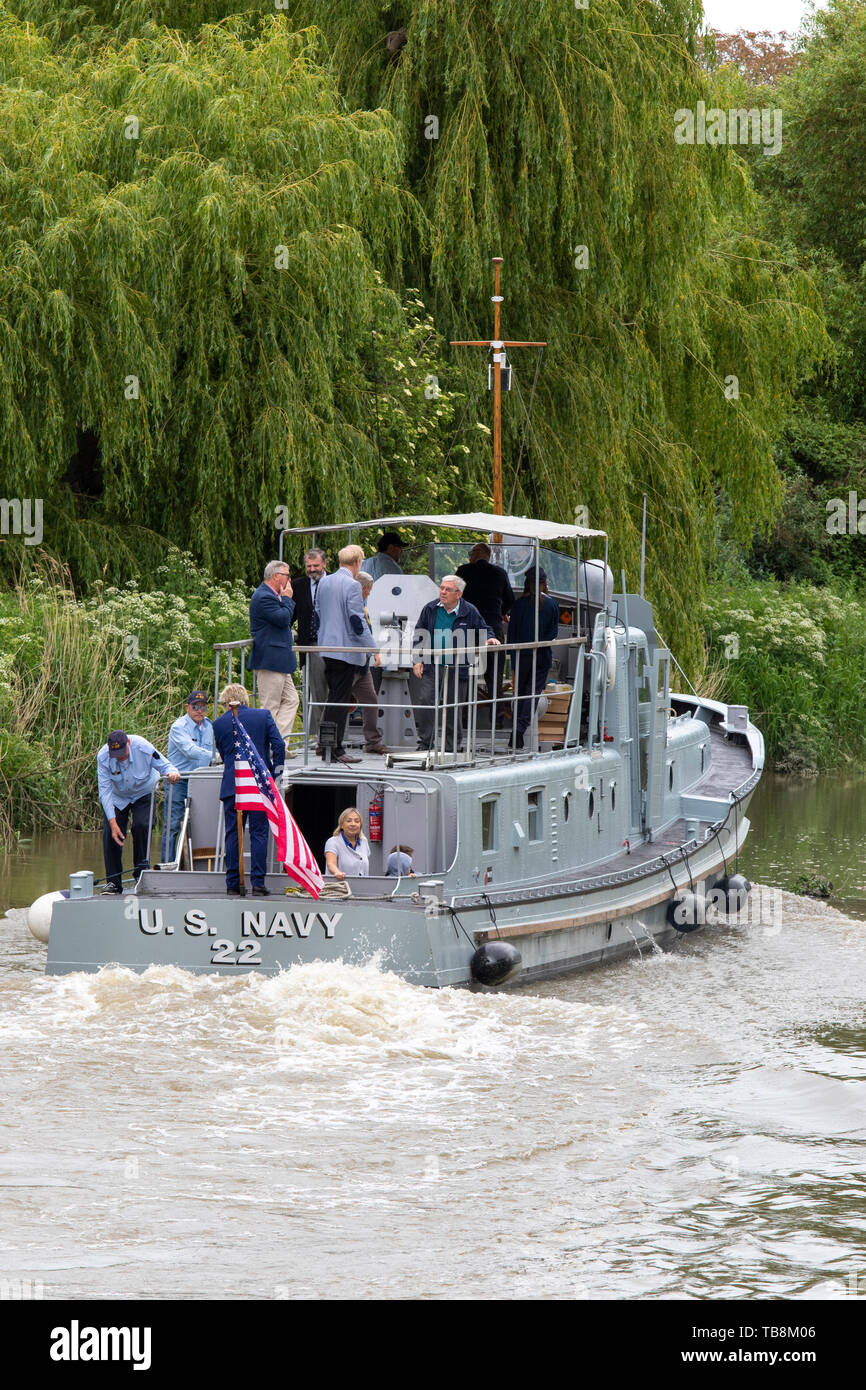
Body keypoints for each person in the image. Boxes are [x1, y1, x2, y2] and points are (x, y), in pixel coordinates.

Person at [410, 575, 500, 751]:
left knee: (453, 707)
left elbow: (485, 628)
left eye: (448, 589)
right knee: (426, 701)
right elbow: (419, 634)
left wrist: (490, 639)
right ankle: (425, 743)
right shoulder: (430, 608)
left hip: (458, 666)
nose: (443, 592)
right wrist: (417, 660)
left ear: (458, 594)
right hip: (432, 664)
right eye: (442, 588)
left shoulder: (469, 610)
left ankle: (451, 747)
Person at [212, 683, 286, 896]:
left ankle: (232, 884)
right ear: (245, 699)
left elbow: (224, 753)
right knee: (259, 833)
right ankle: (258, 884)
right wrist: (276, 777)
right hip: (259, 785)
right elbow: (279, 746)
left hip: (232, 786)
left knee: (233, 834)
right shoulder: (263, 716)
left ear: (227, 703)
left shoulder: (218, 724)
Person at [314, 544, 378, 763]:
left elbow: (319, 612)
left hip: (327, 648)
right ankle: (336, 750)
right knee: (339, 702)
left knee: (334, 699)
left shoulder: (324, 581)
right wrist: (372, 647)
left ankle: (325, 746)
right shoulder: (352, 585)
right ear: (358, 562)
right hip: (345, 650)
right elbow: (356, 621)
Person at [97, 730, 180, 892]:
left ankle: (141, 875)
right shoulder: (103, 756)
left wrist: (172, 773)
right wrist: (112, 823)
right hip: (118, 797)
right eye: (116, 754)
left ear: (128, 742)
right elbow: (104, 791)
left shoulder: (143, 747)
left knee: (141, 826)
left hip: (143, 793)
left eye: (123, 752)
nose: (121, 757)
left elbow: (165, 764)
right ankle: (113, 882)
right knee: (111, 834)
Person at [457, 542, 515, 720]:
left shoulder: (463, 571)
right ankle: (496, 719)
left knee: (466, 674)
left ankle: (465, 718)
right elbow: (511, 600)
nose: (469, 557)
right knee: (494, 675)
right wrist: (501, 613)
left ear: (476, 554)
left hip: (467, 630)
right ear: (488, 556)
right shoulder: (499, 573)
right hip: (492, 628)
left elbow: (453, 597)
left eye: (470, 553)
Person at [508, 568, 560, 748]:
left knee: (520, 694)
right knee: (532, 694)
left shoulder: (518, 605)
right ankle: (519, 730)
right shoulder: (552, 605)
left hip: (521, 655)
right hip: (542, 656)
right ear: (544, 583)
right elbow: (553, 633)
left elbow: (512, 636)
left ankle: (516, 728)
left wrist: (513, 662)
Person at [249, 560, 299, 745]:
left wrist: (284, 599)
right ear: (276, 576)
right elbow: (283, 619)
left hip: (280, 660)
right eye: (287, 576)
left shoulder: (272, 595)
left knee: (292, 700)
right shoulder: (263, 596)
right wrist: (287, 598)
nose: (289, 580)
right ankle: (268, 747)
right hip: (269, 659)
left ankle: (278, 744)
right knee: (270, 706)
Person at [162, 690, 215, 862]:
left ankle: (190, 864)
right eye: (195, 707)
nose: (199, 710)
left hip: (200, 782)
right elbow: (191, 751)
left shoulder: (210, 726)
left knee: (199, 825)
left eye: (203, 707)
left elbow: (218, 748)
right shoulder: (178, 727)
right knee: (172, 826)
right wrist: (218, 757)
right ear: (187, 707)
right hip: (179, 780)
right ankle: (168, 865)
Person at [291, 548, 329, 743]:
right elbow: (291, 614)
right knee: (316, 690)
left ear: (324, 564)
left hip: (333, 643)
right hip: (311, 644)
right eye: (309, 566)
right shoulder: (298, 585)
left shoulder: (334, 582)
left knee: (336, 690)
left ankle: (333, 733)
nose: (312, 569)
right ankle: (319, 735)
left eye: (316, 566)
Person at [352, 571, 386, 754]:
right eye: (369, 589)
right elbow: (361, 631)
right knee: (337, 701)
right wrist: (375, 652)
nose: (370, 593)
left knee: (371, 700)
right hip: (350, 663)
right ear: (362, 588)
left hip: (362, 664)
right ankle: (326, 741)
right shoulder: (353, 604)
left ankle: (372, 741)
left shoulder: (362, 605)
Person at [324, 807, 371, 878]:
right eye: (349, 821)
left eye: (357, 821)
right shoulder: (333, 842)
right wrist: (337, 873)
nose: (353, 824)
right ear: (342, 825)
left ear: (360, 825)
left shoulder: (364, 841)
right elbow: (331, 864)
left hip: (362, 887)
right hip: (341, 887)